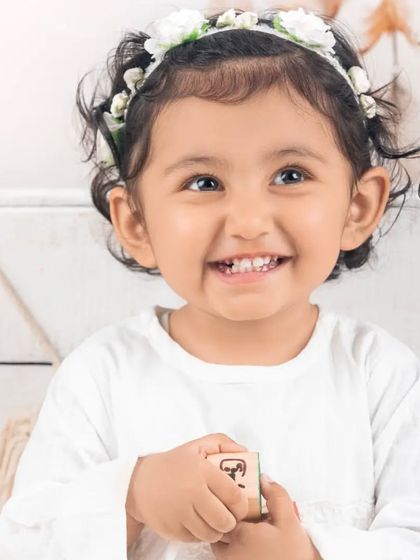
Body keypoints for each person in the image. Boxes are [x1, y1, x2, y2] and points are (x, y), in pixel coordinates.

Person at [1, 6, 420, 560]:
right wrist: (131, 495)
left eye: (290, 175)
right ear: (137, 222)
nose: (247, 221)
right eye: (204, 182)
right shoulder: (101, 376)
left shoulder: (382, 378)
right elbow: (24, 541)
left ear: (358, 205)